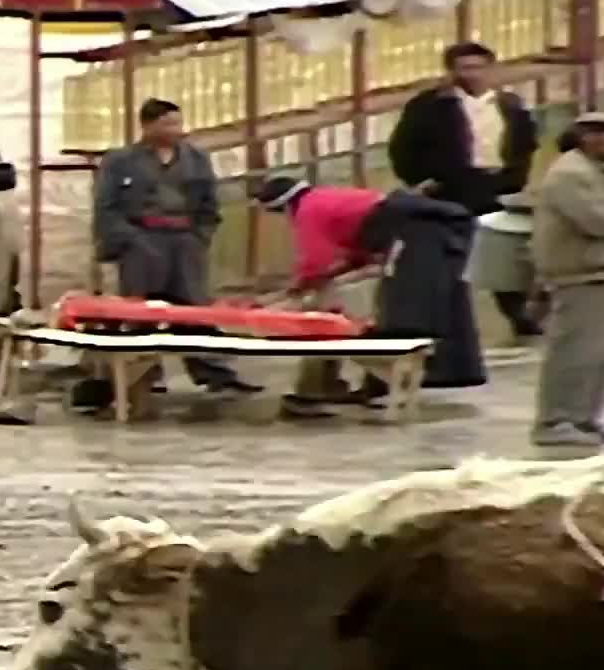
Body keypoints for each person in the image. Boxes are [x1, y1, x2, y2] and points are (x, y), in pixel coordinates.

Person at [87, 98, 260, 409]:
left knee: (194, 308)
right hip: (142, 238)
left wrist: (200, 236)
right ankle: (143, 374)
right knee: (141, 311)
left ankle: (213, 371)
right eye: (167, 124)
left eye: (177, 123)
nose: (175, 130)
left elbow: (209, 201)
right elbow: (106, 206)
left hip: (185, 238)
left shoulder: (195, 158)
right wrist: (127, 239)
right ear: (148, 125)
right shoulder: (121, 161)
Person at [389, 41, 542, 342]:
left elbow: (525, 145)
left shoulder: (510, 105)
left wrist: (515, 179)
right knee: (450, 257)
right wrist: (421, 180)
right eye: (464, 68)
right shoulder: (431, 105)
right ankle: (447, 324)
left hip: (497, 187)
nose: (472, 75)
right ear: (452, 71)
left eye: (478, 67)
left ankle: (518, 314)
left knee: (503, 253)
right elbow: (403, 147)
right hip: (450, 189)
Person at [529, 111, 604, 447]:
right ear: (592, 138)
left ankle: (585, 418)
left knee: (601, 354)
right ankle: (556, 420)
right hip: (582, 274)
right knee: (575, 351)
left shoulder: (600, 173)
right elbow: (600, 221)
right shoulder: (571, 173)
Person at [250, 176, 391, 413]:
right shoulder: (326, 199)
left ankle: (315, 390)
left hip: (402, 249)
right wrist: (294, 290)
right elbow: (352, 257)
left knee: (322, 315)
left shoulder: (308, 210)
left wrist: (291, 294)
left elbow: (315, 264)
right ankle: (368, 386)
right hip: (406, 246)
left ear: (283, 205)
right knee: (355, 310)